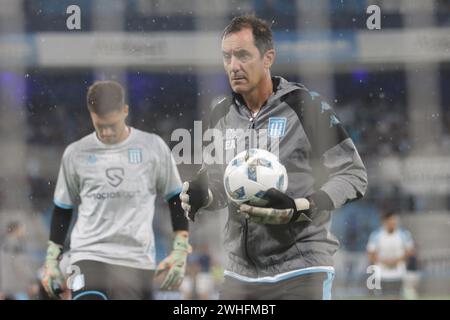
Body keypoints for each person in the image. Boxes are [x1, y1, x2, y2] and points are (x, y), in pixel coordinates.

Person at [180, 15, 368, 300]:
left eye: (243, 55)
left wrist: (299, 207)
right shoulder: (220, 113)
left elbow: (353, 175)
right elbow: (221, 185)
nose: (233, 66)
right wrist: (202, 196)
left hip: (301, 268)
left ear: (268, 58)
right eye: (227, 57)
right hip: (239, 275)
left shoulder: (305, 106)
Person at [41, 80, 191, 300]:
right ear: (91, 115)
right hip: (88, 253)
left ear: (125, 111)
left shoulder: (152, 147)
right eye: (100, 125)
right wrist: (51, 260)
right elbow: (63, 208)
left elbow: (176, 199)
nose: (107, 132)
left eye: (112, 124)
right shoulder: (76, 153)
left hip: (136, 259)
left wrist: (180, 250)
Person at [367, 209, 415, 299]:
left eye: (395, 220)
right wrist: (383, 262)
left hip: (399, 272)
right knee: (383, 296)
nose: (394, 223)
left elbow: (410, 251)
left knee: (397, 296)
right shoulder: (376, 235)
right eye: (392, 220)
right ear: (385, 221)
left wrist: (397, 260)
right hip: (381, 272)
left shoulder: (404, 234)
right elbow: (370, 253)